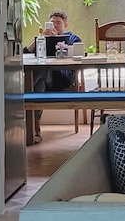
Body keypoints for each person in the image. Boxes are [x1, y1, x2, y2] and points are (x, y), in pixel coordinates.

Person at [26, 11, 83, 140]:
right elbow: (25, 53)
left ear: (65, 25)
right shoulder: (42, 39)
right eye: (52, 23)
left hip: (63, 77)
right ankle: (35, 130)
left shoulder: (73, 39)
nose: (55, 25)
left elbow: (79, 55)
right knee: (38, 87)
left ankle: (21, 90)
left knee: (41, 71)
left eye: (58, 23)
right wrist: (39, 38)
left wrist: (57, 39)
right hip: (45, 79)